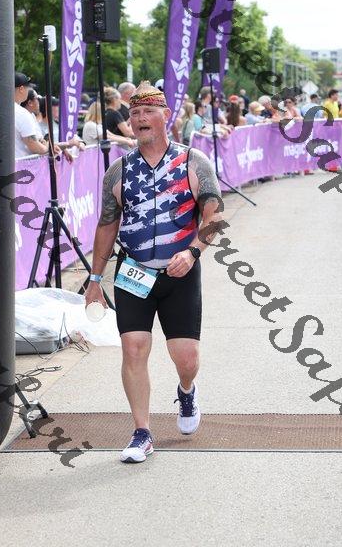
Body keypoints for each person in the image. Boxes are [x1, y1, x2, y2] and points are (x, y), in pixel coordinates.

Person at [85, 80, 222, 464]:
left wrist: (193, 253)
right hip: (132, 272)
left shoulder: (193, 162)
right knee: (133, 347)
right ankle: (142, 432)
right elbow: (106, 225)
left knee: (186, 358)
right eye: (134, 113)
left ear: (166, 116)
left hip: (180, 274)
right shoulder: (119, 171)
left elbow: (214, 216)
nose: (140, 118)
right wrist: (94, 280)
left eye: (148, 111)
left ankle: (186, 391)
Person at [14, 72, 49, 158]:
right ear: (21, 89)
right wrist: (48, 148)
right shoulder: (21, 113)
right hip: (21, 164)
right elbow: (35, 147)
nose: (29, 90)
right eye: (28, 87)